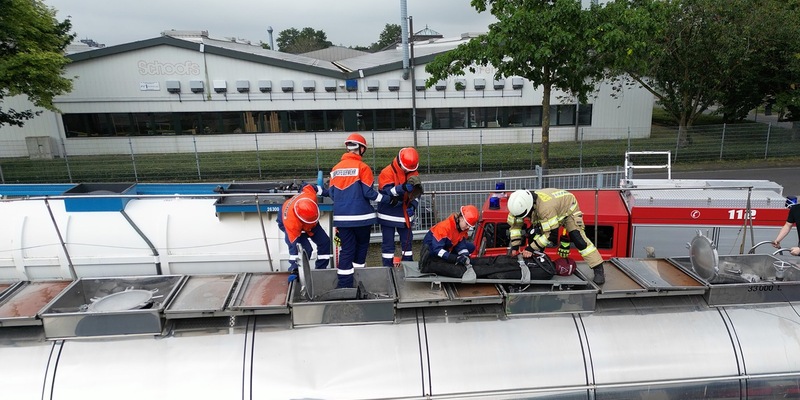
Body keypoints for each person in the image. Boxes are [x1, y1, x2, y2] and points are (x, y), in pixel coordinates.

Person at [314, 133, 410, 288]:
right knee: (361, 247)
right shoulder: (363, 168)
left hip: (341, 219)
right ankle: (358, 281)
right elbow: (369, 193)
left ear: (348, 147)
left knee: (346, 250)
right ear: (362, 149)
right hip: (362, 218)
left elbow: (332, 193)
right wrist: (389, 199)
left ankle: (344, 286)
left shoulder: (335, 169)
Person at [506, 188, 606, 284]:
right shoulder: (516, 207)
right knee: (534, 236)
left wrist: (530, 248)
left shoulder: (545, 208)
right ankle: (536, 265)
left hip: (568, 210)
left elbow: (551, 235)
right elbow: (515, 227)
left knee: (579, 239)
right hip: (550, 209)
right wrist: (515, 247)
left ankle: (598, 267)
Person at [377, 147, 421, 267]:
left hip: (405, 214)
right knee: (388, 245)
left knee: (407, 244)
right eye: (406, 169)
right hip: (389, 214)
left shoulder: (413, 172)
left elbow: (417, 193)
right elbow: (387, 192)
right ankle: (387, 270)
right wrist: (403, 188)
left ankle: (408, 269)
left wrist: (413, 205)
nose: (408, 172)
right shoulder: (387, 172)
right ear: (400, 163)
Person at [277, 184, 331, 282]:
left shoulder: (310, 195)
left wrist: (328, 193)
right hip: (288, 221)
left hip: (310, 223)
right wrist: (294, 268)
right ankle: (298, 271)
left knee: (325, 242)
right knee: (306, 249)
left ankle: (321, 269)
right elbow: (294, 247)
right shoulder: (292, 224)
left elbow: (309, 186)